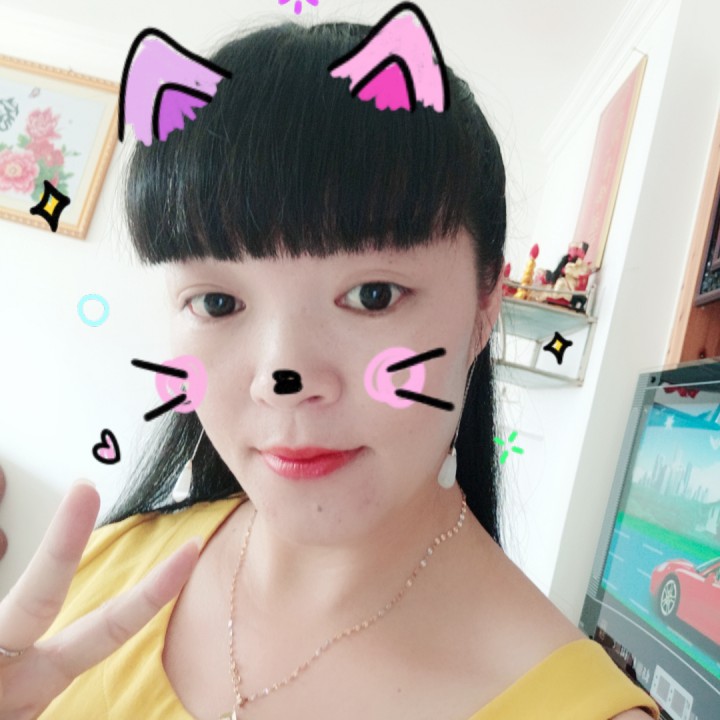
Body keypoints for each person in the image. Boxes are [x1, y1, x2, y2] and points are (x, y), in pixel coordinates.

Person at [0, 11, 661, 720]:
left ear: (484, 308)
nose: (282, 378)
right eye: (218, 302)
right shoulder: (100, 573)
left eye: (373, 295)